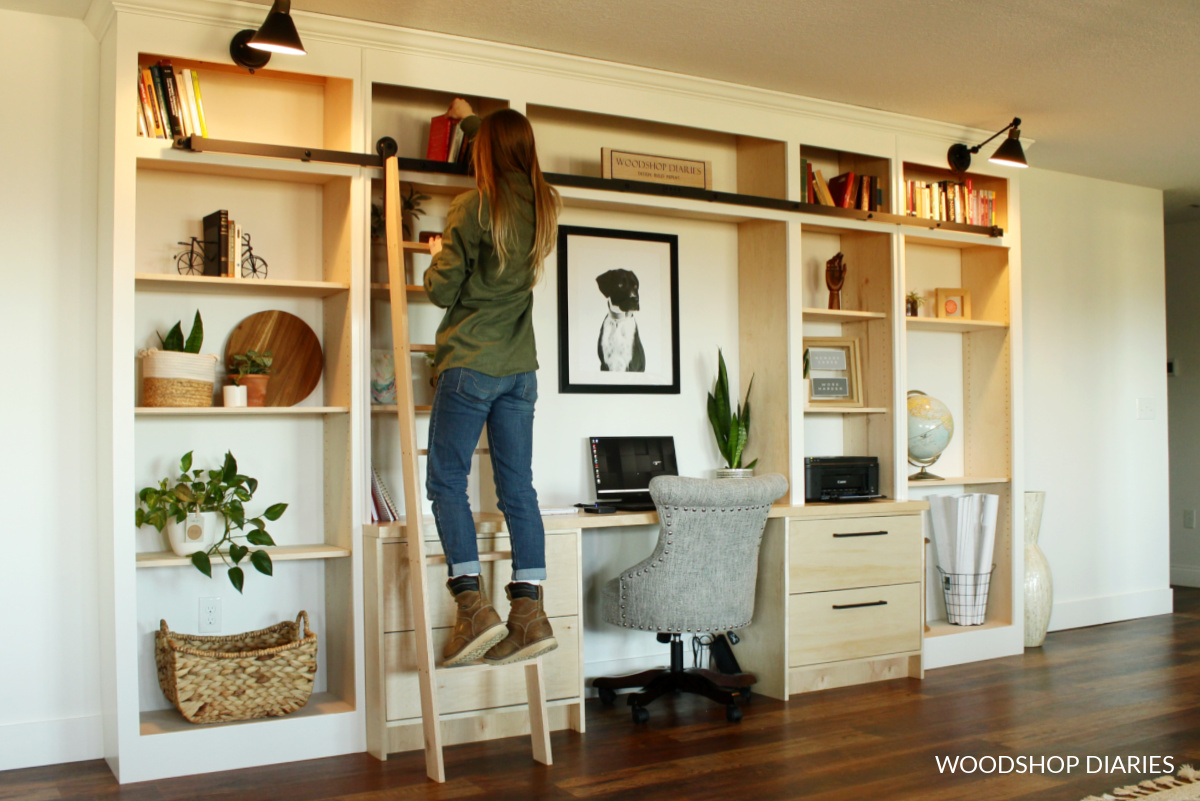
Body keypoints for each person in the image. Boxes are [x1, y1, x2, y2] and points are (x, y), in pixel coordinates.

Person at [423, 99, 561, 667]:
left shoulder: (472, 208)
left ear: (483, 153)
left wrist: (435, 255)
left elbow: (440, 290)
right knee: (517, 490)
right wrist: (471, 119)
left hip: (470, 366)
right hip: (520, 373)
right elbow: (503, 150)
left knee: (447, 483)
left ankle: (471, 606)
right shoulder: (544, 206)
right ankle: (528, 613)